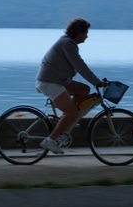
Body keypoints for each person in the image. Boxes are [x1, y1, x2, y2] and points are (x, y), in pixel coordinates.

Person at [35, 18, 105, 154]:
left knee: (84, 89)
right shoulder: (67, 44)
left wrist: (94, 82)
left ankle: (67, 120)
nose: (87, 36)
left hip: (59, 80)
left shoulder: (68, 42)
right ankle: (50, 140)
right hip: (49, 82)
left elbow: (79, 66)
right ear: (78, 32)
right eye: (86, 33)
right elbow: (80, 66)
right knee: (72, 112)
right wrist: (97, 82)